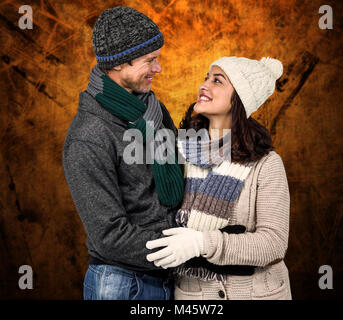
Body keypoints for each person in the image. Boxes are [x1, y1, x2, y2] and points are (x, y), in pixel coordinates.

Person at [62, 6, 183, 300]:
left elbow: (178, 178)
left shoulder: (151, 110)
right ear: (117, 65)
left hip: (167, 276)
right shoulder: (89, 137)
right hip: (122, 285)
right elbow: (109, 237)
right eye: (149, 60)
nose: (159, 69)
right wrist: (183, 251)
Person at [146, 56, 292, 300]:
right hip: (194, 296)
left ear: (240, 98)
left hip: (257, 294)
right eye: (205, 78)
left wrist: (202, 244)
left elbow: (273, 244)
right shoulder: (179, 154)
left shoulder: (266, 165)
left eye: (217, 81)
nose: (204, 85)